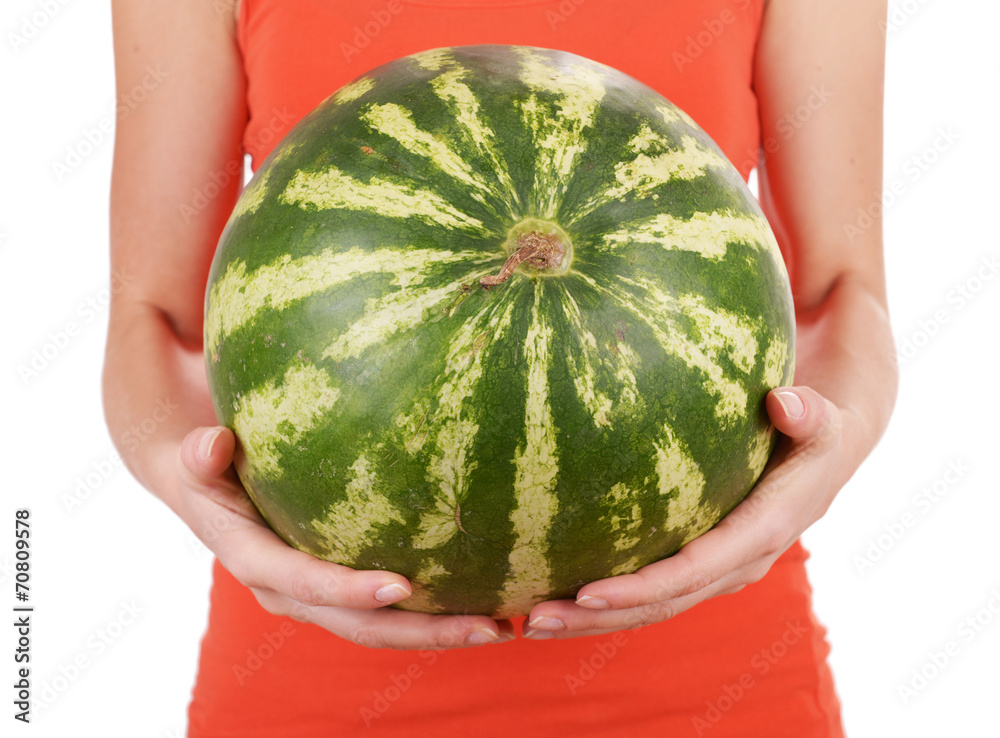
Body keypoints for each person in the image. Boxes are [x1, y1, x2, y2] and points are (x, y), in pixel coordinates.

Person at [104, 0, 897, 734]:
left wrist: (836, 444)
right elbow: (153, 319)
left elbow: (840, 293)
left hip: (720, 682)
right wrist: (194, 495)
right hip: (308, 683)